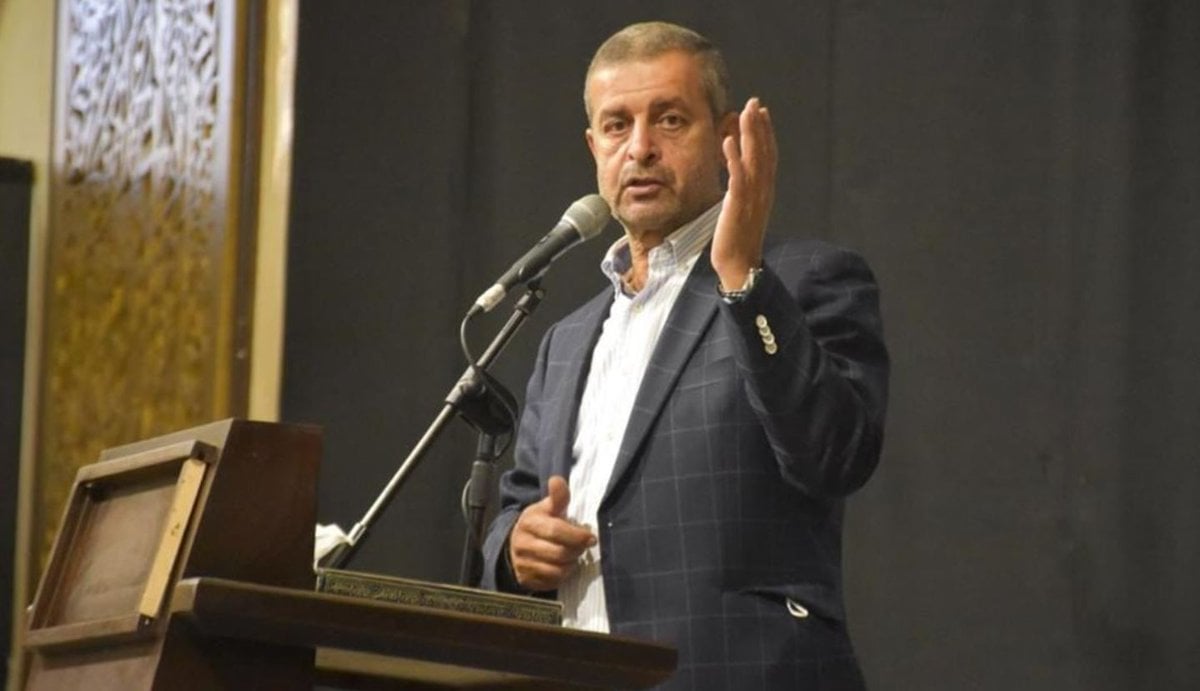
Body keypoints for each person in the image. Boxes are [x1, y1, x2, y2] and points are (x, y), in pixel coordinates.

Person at [481, 21, 888, 690]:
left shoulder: (803, 280)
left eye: (669, 120)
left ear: (727, 139)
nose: (640, 147)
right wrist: (514, 549)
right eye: (616, 125)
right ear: (593, 146)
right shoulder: (567, 341)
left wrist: (744, 281)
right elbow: (518, 506)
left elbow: (836, 455)